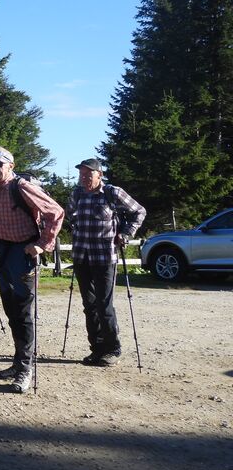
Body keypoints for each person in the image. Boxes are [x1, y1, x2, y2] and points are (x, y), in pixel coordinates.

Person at [0, 146, 64, 393]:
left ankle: (26, 369)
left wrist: (42, 244)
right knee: (11, 310)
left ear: (11, 165)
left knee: (23, 312)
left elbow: (56, 212)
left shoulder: (21, 187)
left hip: (23, 254)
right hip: (3, 253)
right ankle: (18, 363)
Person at [66, 157, 146, 367]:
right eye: (81, 174)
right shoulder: (76, 194)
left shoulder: (112, 193)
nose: (84, 178)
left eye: (88, 174)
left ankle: (113, 349)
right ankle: (97, 348)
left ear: (99, 175)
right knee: (89, 306)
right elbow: (69, 215)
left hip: (104, 257)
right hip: (81, 257)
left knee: (104, 305)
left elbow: (139, 211)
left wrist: (126, 233)